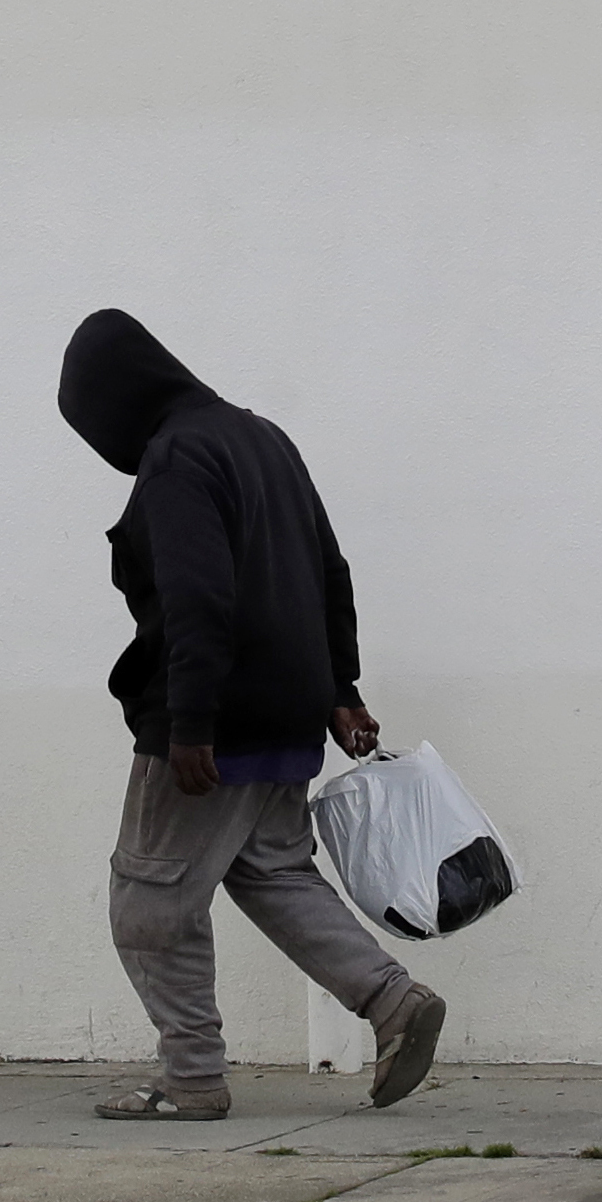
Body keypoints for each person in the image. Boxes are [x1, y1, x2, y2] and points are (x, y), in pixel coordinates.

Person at [59, 308, 442, 1120]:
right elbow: (327, 566)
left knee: (149, 900)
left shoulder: (175, 456)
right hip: (289, 708)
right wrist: (341, 688)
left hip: (209, 720)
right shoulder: (263, 438)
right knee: (274, 871)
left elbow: (196, 595)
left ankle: (190, 1077)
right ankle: (392, 1001)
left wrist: (191, 721)